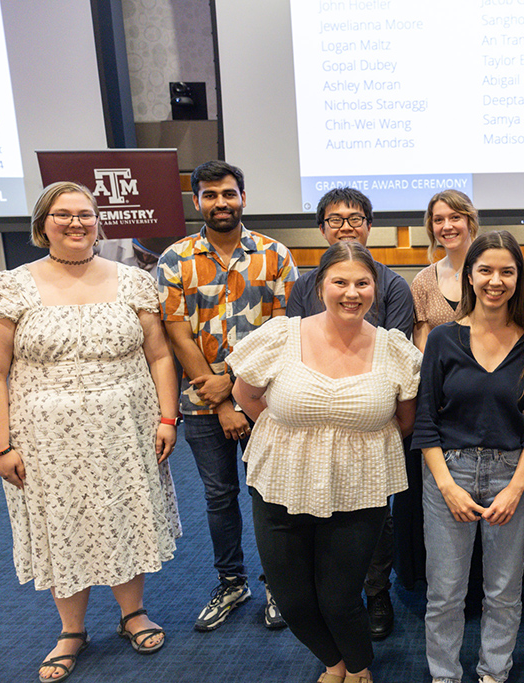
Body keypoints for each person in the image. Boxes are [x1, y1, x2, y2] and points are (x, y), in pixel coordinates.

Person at [0, 181, 181, 682]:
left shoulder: (133, 281)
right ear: (41, 224)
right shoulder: (12, 285)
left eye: (85, 214)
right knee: (63, 522)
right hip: (44, 438)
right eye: (63, 215)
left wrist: (166, 417)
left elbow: (159, 355)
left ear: (98, 222)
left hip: (125, 429)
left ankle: (132, 613)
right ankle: (71, 630)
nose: (76, 223)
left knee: (124, 512)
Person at [226, 241, 421, 683]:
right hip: (280, 483)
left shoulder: (396, 350)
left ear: (375, 288)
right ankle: (333, 664)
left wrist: (343, 439)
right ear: (320, 286)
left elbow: (404, 423)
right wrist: (297, 434)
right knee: (293, 601)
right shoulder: (281, 335)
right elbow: (245, 397)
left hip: (358, 489)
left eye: (362, 283)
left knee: (339, 599)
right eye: (340, 282)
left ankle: (357, 668)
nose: (351, 292)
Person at [158, 160, 297, 632]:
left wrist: (234, 391)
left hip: (263, 402)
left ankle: (278, 584)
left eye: (229, 193)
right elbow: (176, 334)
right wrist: (220, 401)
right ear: (197, 201)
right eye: (211, 195)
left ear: (243, 198)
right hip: (202, 405)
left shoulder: (275, 255)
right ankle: (231, 582)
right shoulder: (174, 259)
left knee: (270, 497)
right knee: (219, 498)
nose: (221, 202)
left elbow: (284, 331)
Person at [412, 230, 524, 683]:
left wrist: (516, 488)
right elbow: (426, 421)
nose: (496, 280)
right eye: (485, 270)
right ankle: (445, 675)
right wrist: (446, 487)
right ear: (469, 275)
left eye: (507, 271)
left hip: (513, 474)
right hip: (447, 473)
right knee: (446, 593)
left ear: (519, 278)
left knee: (504, 591)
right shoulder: (443, 339)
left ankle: (494, 672)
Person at [286, 186, 414, 639]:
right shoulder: (305, 284)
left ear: (369, 225)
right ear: (321, 228)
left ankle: (377, 592)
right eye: (335, 220)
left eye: (354, 218)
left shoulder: (393, 284)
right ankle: (326, 599)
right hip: (312, 422)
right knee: (311, 515)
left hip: (367, 420)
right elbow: (293, 349)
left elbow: (394, 356)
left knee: (372, 520)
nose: (346, 226)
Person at [412, 189, 479, 351]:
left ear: (470, 221)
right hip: (441, 374)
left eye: (455, 217)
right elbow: (423, 349)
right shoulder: (422, 282)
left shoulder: (491, 272)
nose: (447, 226)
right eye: (439, 220)